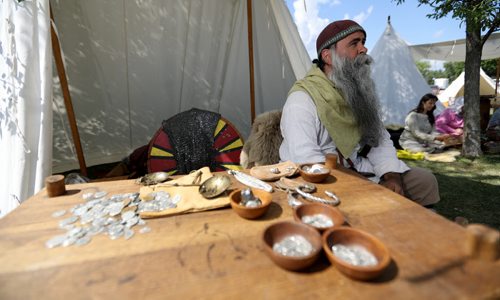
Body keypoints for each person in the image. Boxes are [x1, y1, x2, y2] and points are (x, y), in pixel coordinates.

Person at [279, 20, 439, 207]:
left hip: (359, 168)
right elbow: (307, 161)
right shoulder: (302, 99)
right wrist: (367, 186)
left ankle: (420, 229)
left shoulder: (359, 95)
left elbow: (378, 140)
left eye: (363, 42)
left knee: (425, 182)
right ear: (328, 56)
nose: (363, 49)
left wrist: (392, 176)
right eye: (354, 43)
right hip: (318, 179)